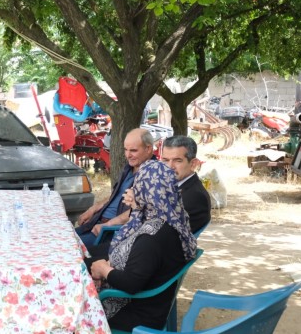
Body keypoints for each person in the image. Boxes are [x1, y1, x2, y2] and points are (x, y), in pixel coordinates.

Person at [89, 160, 197, 332]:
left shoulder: (151, 237)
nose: (134, 191)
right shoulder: (175, 218)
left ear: (146, 192)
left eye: (137, 186)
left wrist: (103, 269)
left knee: (72, 312)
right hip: (154, 303)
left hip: (137, 314)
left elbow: (131, 283)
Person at [91, 135, 212, 242]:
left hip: (153, 257)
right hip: (138, 245)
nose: (169, 167)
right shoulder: (169, 186)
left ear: (193, 164)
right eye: (165, 160)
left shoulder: (195, 196)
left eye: (177, 160)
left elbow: (159, 229)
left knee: (86, 259)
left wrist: (137, 206)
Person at [75, 128, 155, 247]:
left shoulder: (154, 174)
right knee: (61, 238)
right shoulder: (129, 168)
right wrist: (94, 209)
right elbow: (116, 195)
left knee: (67, 248)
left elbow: (142, 210)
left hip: (112, 232)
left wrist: (108, 225)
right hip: (98, 222)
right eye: (126, 150)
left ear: (148, 149)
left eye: (133, 150)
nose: (128, 155)